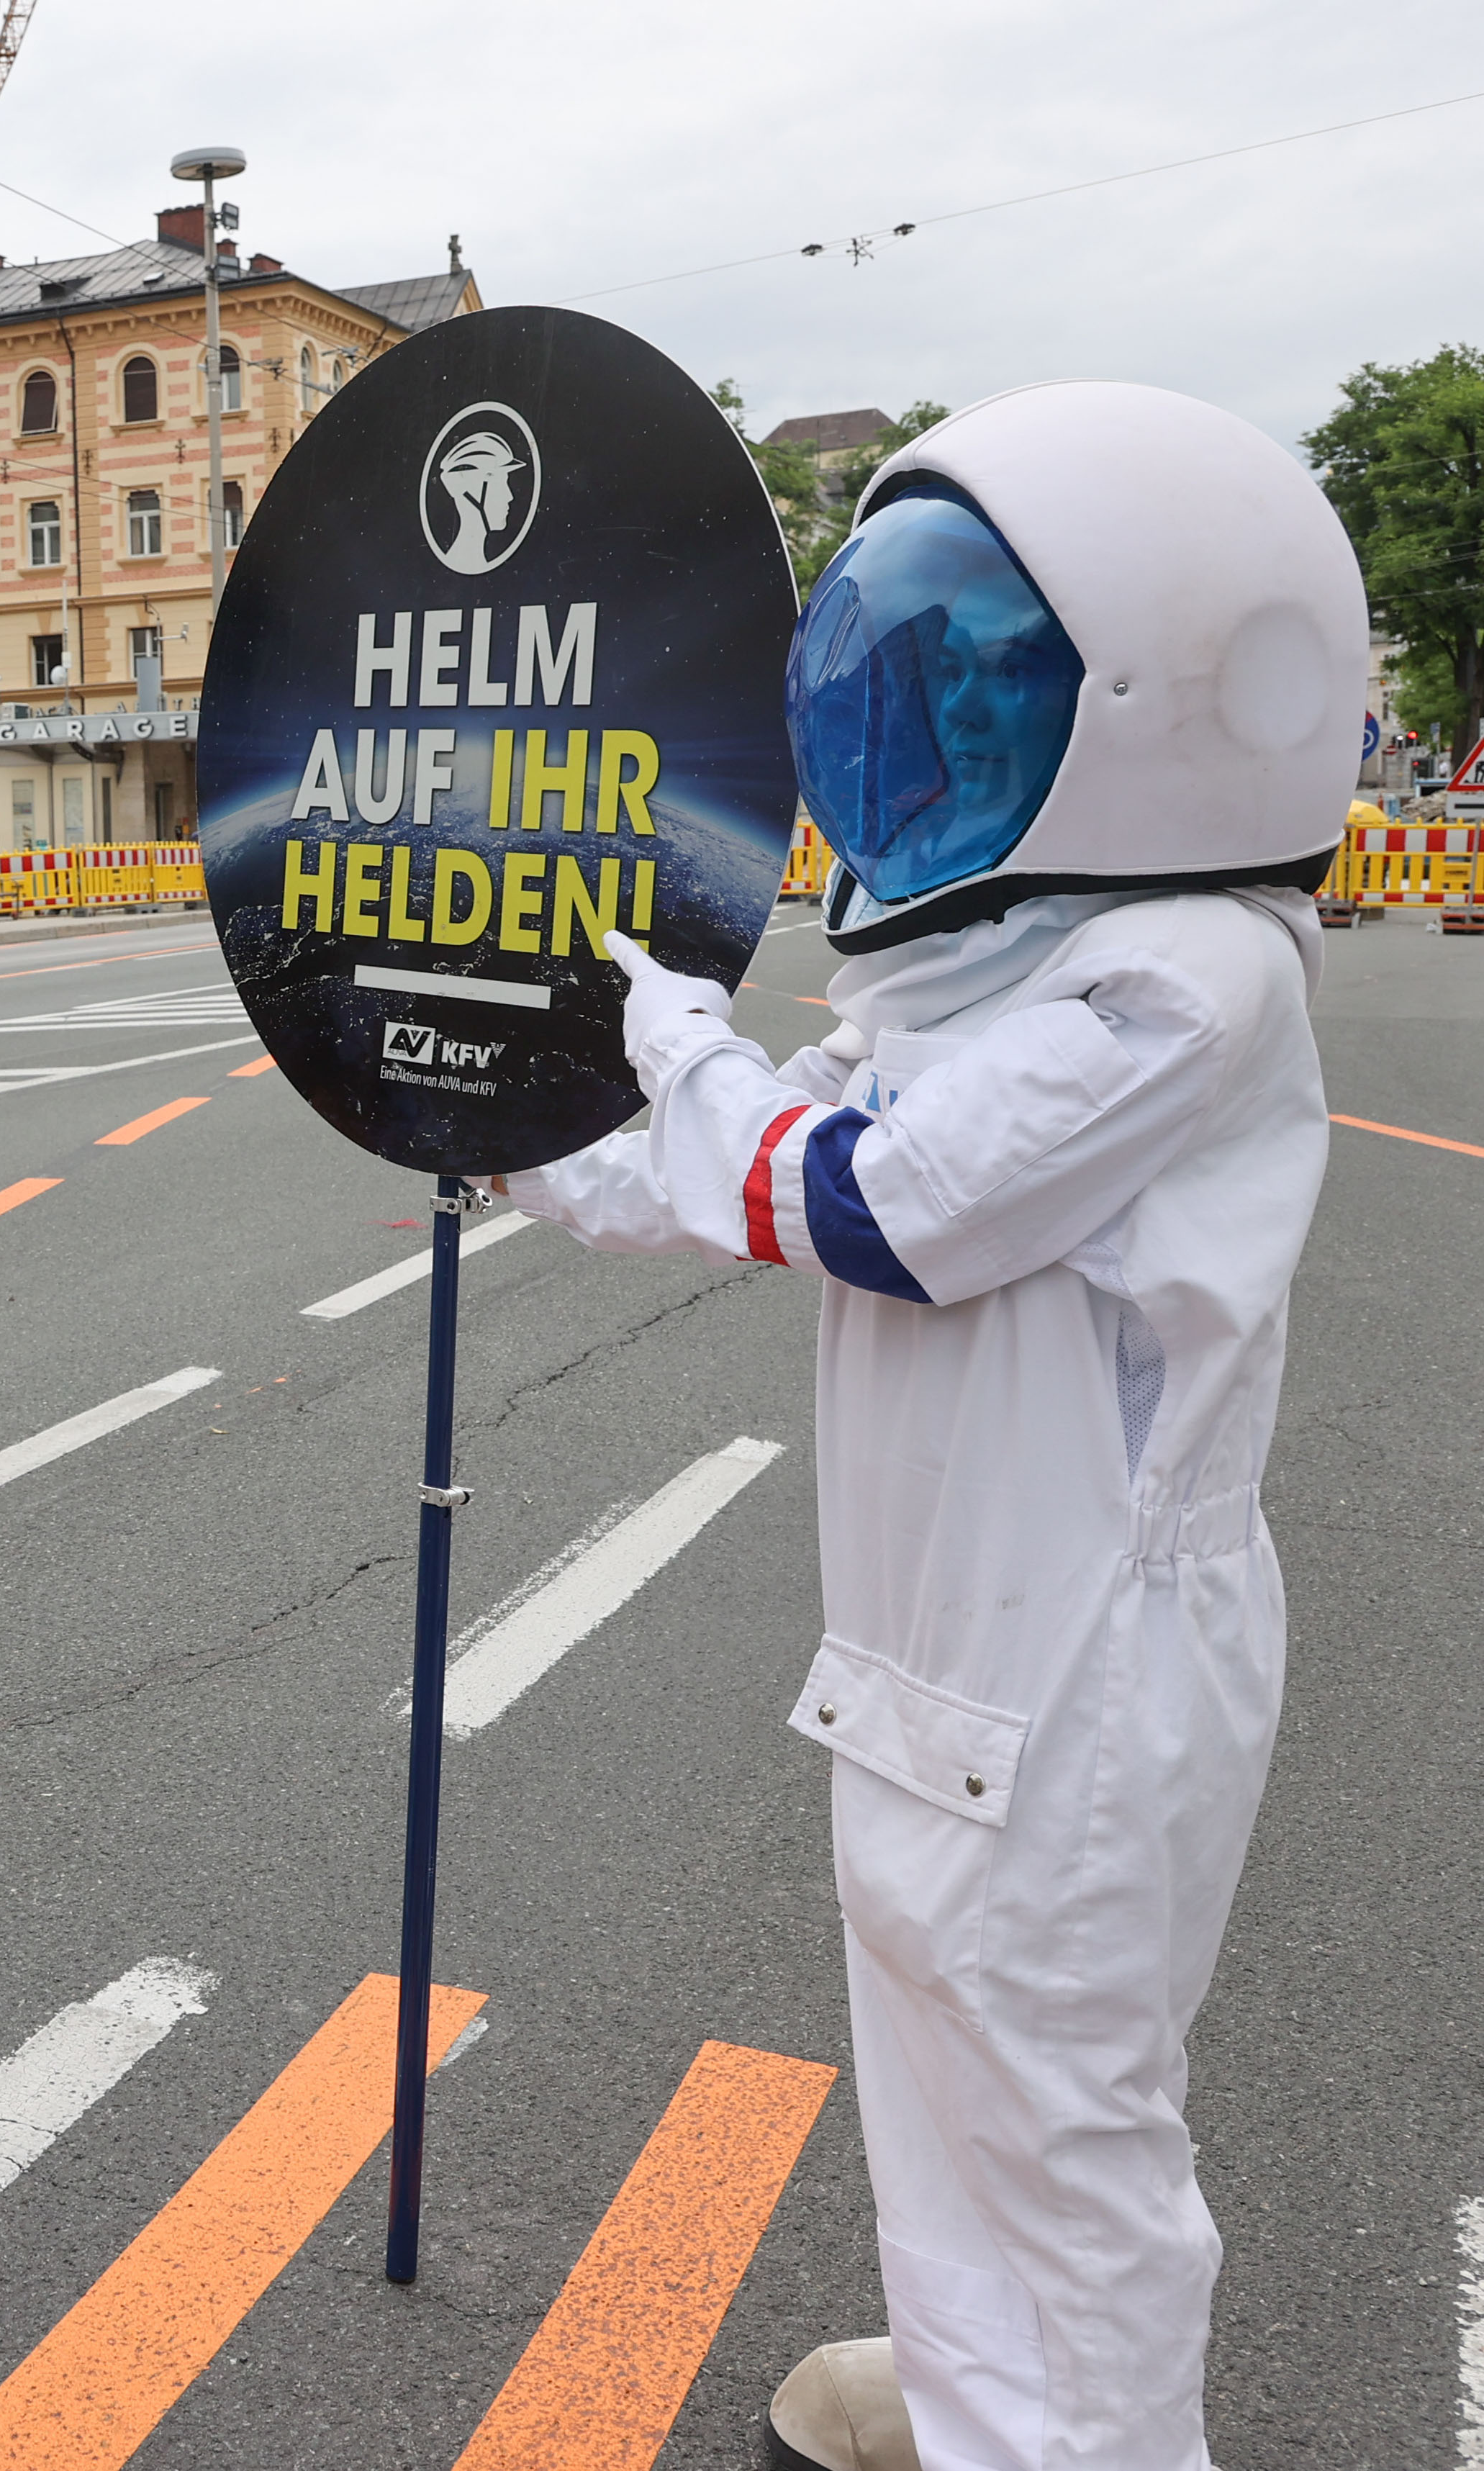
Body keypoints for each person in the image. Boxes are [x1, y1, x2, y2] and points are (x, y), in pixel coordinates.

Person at [498, 381, 1362, 2471]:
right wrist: (486, 1124)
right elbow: (741, 1171)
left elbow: (875, 1202)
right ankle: (986, 2395)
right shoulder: (998, 973)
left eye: (989, 682)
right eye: (924, 680)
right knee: (938, 2069)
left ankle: (1089, 2440)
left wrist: (679, 1049)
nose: (935, 727)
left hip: (1082, 1662)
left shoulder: (1184, 978)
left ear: (1171, 693)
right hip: (940, 1650)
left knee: (1062, 2117)